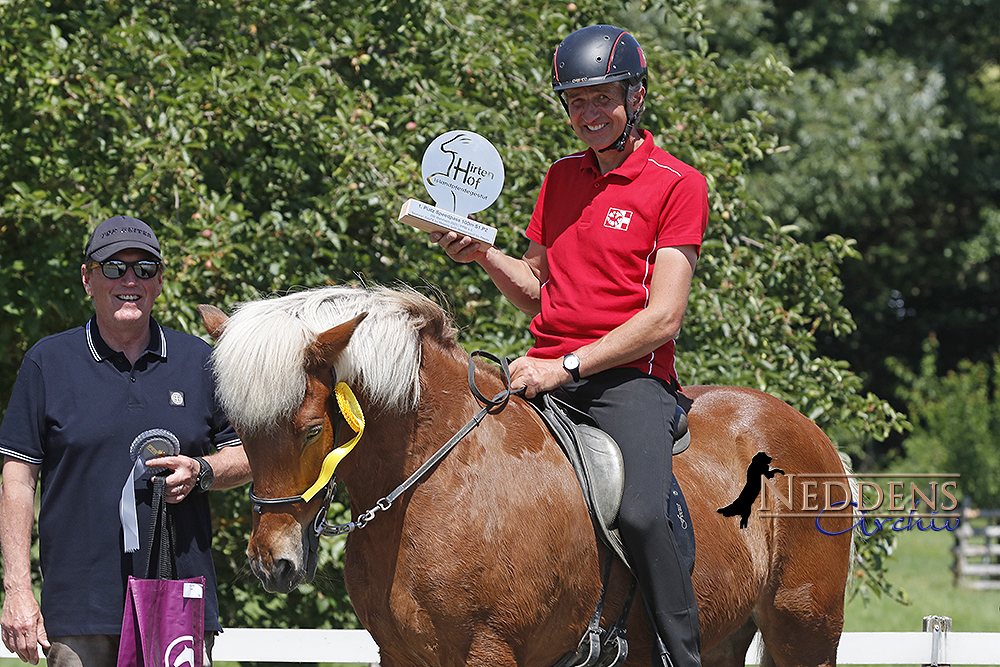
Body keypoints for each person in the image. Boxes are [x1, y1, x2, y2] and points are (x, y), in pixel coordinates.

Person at [430, 25, 707, 667]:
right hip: (540, 369)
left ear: (636, 98)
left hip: (625, 381)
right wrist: (484, 254)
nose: (586, 114)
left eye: (601, 99)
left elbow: (663, 317)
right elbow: (536, 292)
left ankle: (680, 655)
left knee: (640, 515)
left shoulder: (676, 183)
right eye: (575, 102)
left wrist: (570, 365)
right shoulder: (559, 179)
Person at [0, 216, 252, 667]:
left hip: (180, 602)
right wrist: (17, 589)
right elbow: (17, 479)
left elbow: (250, 456)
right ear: (87, 278)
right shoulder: (47, 362)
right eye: (114, 268)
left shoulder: (201, 360)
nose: (129, 280)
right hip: (80, 612)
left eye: (145, 268)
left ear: (160, 280)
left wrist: (203, 472)